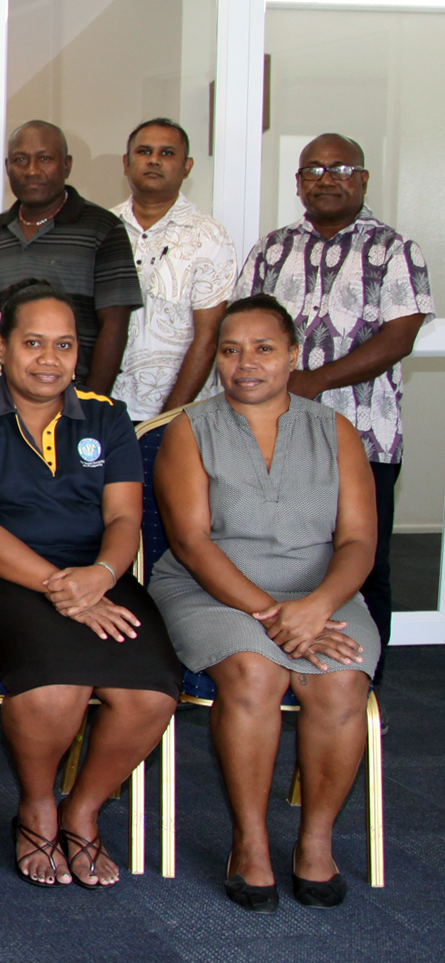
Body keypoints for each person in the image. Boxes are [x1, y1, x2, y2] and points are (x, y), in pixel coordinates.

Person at [0, 282, 180, 889]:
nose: (49, 359)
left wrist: (97, 577)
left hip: (96, 571)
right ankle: (37, 806)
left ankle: (84, 810)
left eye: (63, 345)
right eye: (33, 343)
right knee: (55, 690)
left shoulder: (107, 415)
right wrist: (58, 587)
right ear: (0, 345)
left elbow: (124, 519)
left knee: (150, 695)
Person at [150, 295, 378, 912]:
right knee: (254, 673)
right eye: (229, 350)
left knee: (338, 681)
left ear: (294, 356)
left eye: (263, 349)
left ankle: (316, 841)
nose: (245, 364)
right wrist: (274, 617)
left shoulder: (335, 430)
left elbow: (358, 541)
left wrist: (317, 604)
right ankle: (249, 843)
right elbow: (193, 545)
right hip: (211, 591)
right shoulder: (189, 429)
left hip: (322, 587)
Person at [234, 134, 432, 674]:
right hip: (272, 438)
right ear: (298, 183)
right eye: (313, 170)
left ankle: (364, 683)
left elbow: (399, 338)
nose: (326, 178)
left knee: (365, 565)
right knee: (272, 555)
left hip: (365, 433)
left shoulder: (394, 249)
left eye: (340, 167)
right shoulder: (271, 249)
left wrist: (313, 382)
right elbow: (243, 331)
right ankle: (275, 669)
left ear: (363, 178)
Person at [0, 121, 142, 393]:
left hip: (74, 393)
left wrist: (89, 403)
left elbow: (114, 326)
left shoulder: (103, 229)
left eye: (45, 159)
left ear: (67, 165)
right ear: (7, 167)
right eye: (21, 160)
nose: (32, 170)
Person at [111, 118, 234, 422]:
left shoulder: (209, 236)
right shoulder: (103, 228)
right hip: (105, 408)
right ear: (126, 163)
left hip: (181, 414)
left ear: (187, 166)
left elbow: (209, 338)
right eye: (144, 152)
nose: (154, 160)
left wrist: (167, 419)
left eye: (167, 153)